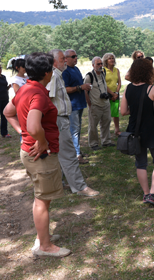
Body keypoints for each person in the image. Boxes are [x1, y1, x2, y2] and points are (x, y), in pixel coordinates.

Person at [3, 52, 71, 258]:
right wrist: (41, 141)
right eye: (52, 67)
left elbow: (8, 112)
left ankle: (43, 237)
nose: (53, 71)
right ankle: (45, 247)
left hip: (30, 151)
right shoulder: (39, 94)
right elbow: (33, 125)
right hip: (40, 155)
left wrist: (23, 135)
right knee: (42, 199)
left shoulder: (25, 88)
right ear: (46, 72)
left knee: (41, 197)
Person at [47, 50, 99, 198]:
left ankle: (60, 183)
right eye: (63, 59)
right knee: (69, 154)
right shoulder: (53, 76)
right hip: (59, 119)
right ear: (54, 61)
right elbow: (47, 99)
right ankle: (80, 187)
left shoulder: (57, 75)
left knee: (59, 154)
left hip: (60, 118)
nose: (65, 61)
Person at [120, 58, 154, 205]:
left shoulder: (127, 89)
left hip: (135, 130)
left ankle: (146, 194)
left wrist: (134, 109)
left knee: (141, 163)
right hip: (151, 130)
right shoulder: (153, 89)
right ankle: (153, 193)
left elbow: (123, 111)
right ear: (149, 72)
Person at [62, 49, 91, 160]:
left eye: (76, 56)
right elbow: (65, 89)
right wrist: (80, 87)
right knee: (74, 130)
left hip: (79, 104)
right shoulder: (65, 71)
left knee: (77, 129)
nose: (76, 58)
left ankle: (77, 151)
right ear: (66, 58)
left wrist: (85, 86)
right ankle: (76, 155)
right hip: (72, 105)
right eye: (73, 56)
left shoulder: (76, 69)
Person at [84, 57, 114, 150]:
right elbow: (85, 91)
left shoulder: (103, 73)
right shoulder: (89, 76)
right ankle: (93, 144)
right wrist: (90, 104)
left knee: (106, 122)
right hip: (95, 105)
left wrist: (111, 94)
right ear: (93, 65)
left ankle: (106, 141)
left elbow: (105, 85)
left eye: (101, 63)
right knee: (93, 126)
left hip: (105, 104)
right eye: (98, 64)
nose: (100, 66)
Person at [103, 53, 122, 137]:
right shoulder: (103, 70)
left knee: (115, 113)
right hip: (107, 94)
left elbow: (119, 82)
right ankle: (106, 132)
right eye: (110, 58)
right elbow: (103, 84)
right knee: (107, 115)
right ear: (106, 61)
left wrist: (116, 93)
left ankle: (117, 130)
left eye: (113, 58)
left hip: (116, 94)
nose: (112, 60)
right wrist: (111, 94)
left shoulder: (116, 70)